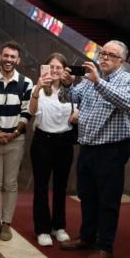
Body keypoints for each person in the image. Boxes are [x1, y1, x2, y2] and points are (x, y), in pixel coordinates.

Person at [59, 41, 130, 258]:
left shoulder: (129, 80)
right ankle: (87, 237)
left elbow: (127, 103)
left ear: (121, 61)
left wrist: (99, 82)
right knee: (87, 195)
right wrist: (67, 85)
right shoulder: (89, 78)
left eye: (110, 55)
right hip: (87, 146)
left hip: (112, 149)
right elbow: (71, 98)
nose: (103, 58)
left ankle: (105, 246)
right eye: (102, 53)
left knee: (108, 200)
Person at [0, 42, 33, 241]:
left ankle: (7, 224)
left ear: (18, 60)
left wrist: (12, 134)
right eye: (6, 56)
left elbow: (27, 112)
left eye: (13, 57)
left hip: (16, 140)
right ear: (0, 56)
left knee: (11, 183)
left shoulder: (26, 82)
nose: (9, 60)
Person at [29, 53, 77, 247]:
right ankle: (42, 229)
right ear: (46, 69)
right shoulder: (39, 89)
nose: (55, 71)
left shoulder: (71, 91)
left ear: (65, 70)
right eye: (52, 67)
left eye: (59, 67)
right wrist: (38, 87)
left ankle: (59, 226)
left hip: (64, 141)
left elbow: (79, 109)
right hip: (43, 141)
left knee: (60, 187)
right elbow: (32, 112)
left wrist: (77, 114)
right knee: (41, 187)